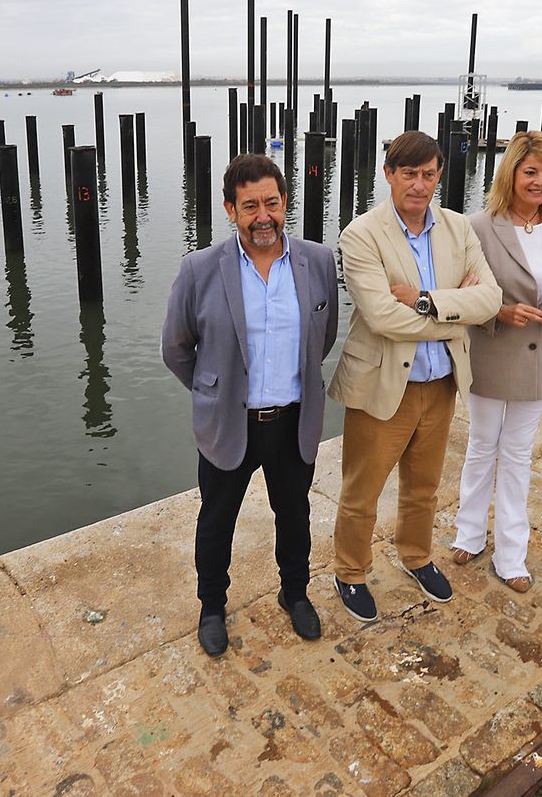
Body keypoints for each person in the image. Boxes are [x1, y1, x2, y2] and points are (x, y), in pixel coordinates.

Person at [162, 154, 340, 656]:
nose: (263, 216)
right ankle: (212, 605)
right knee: (217, 519)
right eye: (250, 206)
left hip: (292, 420)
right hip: (228, 423)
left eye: (272, 203)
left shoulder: (318, 262)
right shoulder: (199, 269)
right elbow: (176, 347)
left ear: (285, 203)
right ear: (229, 209)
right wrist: (210, 392)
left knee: (295, 514)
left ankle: (295, 592)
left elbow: (323, 337)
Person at [329, 131, 502, 622]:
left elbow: (490, 299)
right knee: (363, 488)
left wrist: (426, 300)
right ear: (388, 174)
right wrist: (456, 308)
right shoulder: (361, 234)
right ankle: (351, 570)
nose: (420, 184)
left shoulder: (458, 228)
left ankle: (416, 556)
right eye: (409, 173)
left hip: (442, 382)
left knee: (423, 486)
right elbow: (382, 317)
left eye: (429, 174)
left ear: (439, 175)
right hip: (384, 385)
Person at [453, 132, 542, 592]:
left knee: (517, 456)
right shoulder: (478, 226)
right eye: (531, 171)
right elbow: (465, 292)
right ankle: (468, 534)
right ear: (511, 173)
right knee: (481, 446)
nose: (541, 181)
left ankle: (512, 555)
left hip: (541, 360)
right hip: (493, 354)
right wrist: (500, 311)